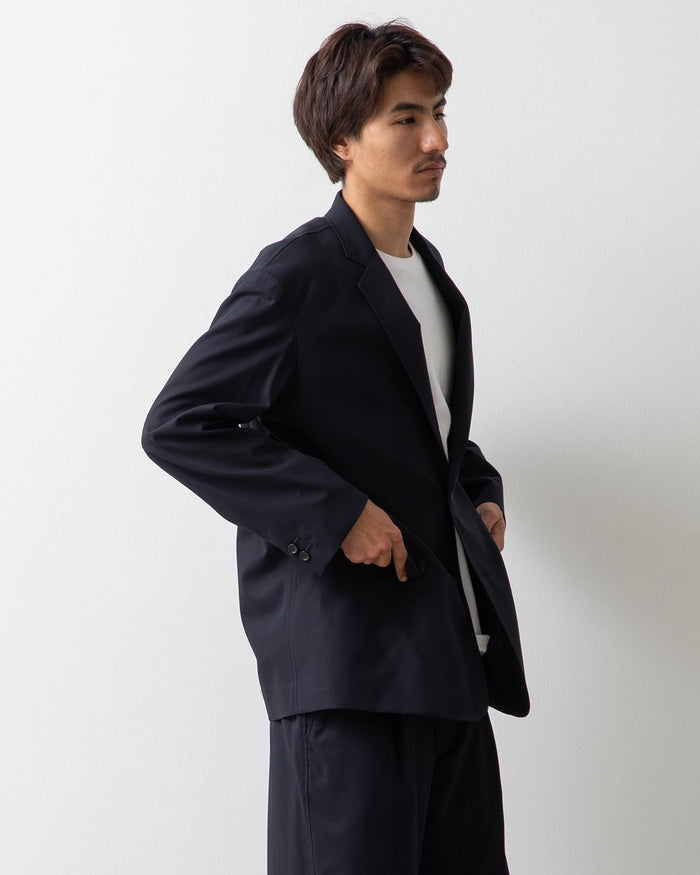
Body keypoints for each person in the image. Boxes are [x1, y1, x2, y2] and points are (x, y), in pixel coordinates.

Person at [141, 19, 530, 875]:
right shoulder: (300, 274)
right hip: (350, 674)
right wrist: (337, 511)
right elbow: (181, 421)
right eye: (406, 118)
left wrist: (479, 486)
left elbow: (424, 427)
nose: (436, 139)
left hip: (448, 663)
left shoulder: (432, 279)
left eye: (438, 112)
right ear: (341, 140)